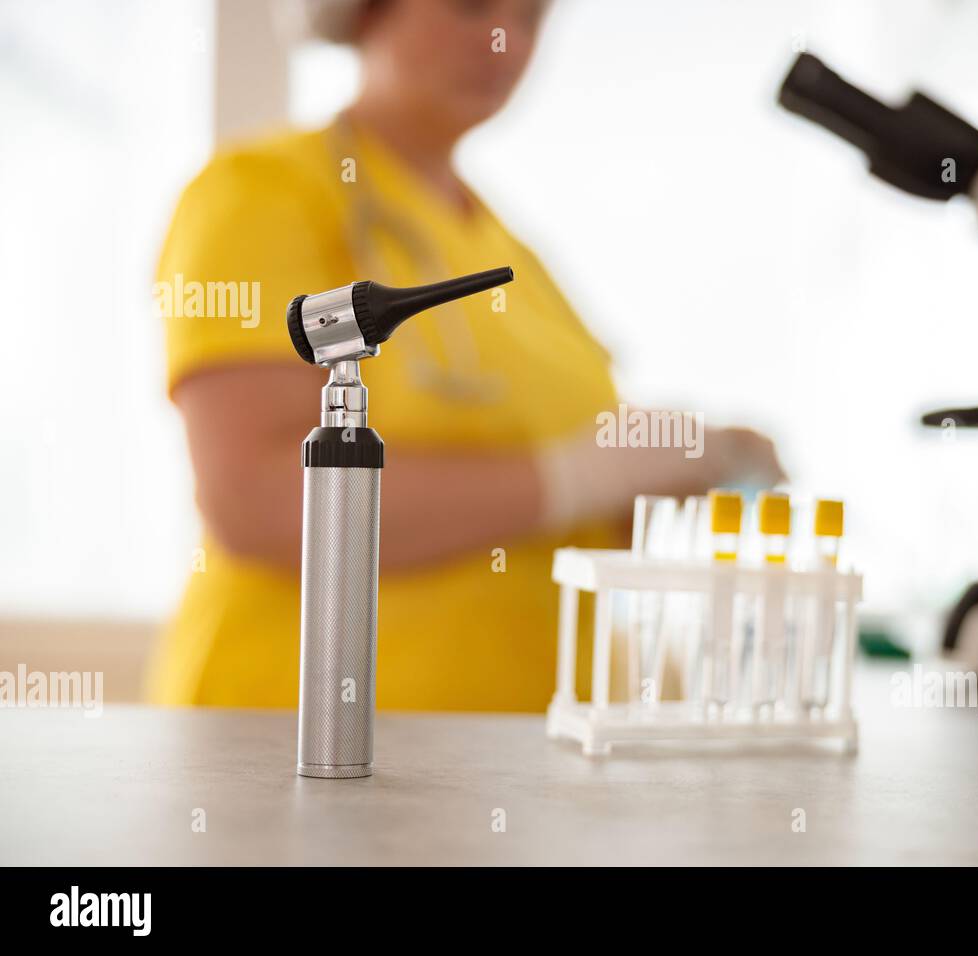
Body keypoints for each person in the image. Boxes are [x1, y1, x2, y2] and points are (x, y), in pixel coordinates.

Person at [146, 0, 783, 711]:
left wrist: (677, 470)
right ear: (366, 12)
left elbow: (568, 499)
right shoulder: (262, 191)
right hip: (304, 736)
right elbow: (257, 499)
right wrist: (568, 478)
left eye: (532, 16)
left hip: (519, 756)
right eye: (471, 5)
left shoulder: (512, 257)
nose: (504, 41)